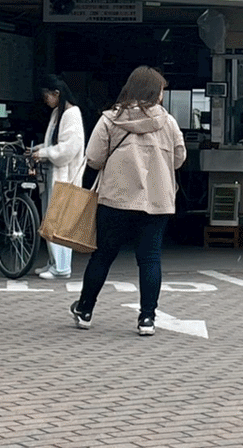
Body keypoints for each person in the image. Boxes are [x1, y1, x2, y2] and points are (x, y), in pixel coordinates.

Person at [70, 65, 185, 336]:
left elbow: (94, 158)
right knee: (150, 259)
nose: (162, 97)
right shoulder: (168, 122)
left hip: (116, 200)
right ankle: (147, 319)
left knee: (103, 256)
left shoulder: (110, 119)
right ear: (153, 92)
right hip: (156, 200)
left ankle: (85, 310)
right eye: (160, 91)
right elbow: (179, 158)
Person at [31, 74, 85, 280]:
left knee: (60, 222)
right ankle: (53, 263)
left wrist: (44, 153)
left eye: (47, 96)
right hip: (54, 174)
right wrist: (40, 149)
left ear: (57, 93)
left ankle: (62, 267)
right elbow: (55, 144)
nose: (45, 99)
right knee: (50, 220)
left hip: (65, 176)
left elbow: (68, 149)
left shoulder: (71, 114)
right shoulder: (58, 113)